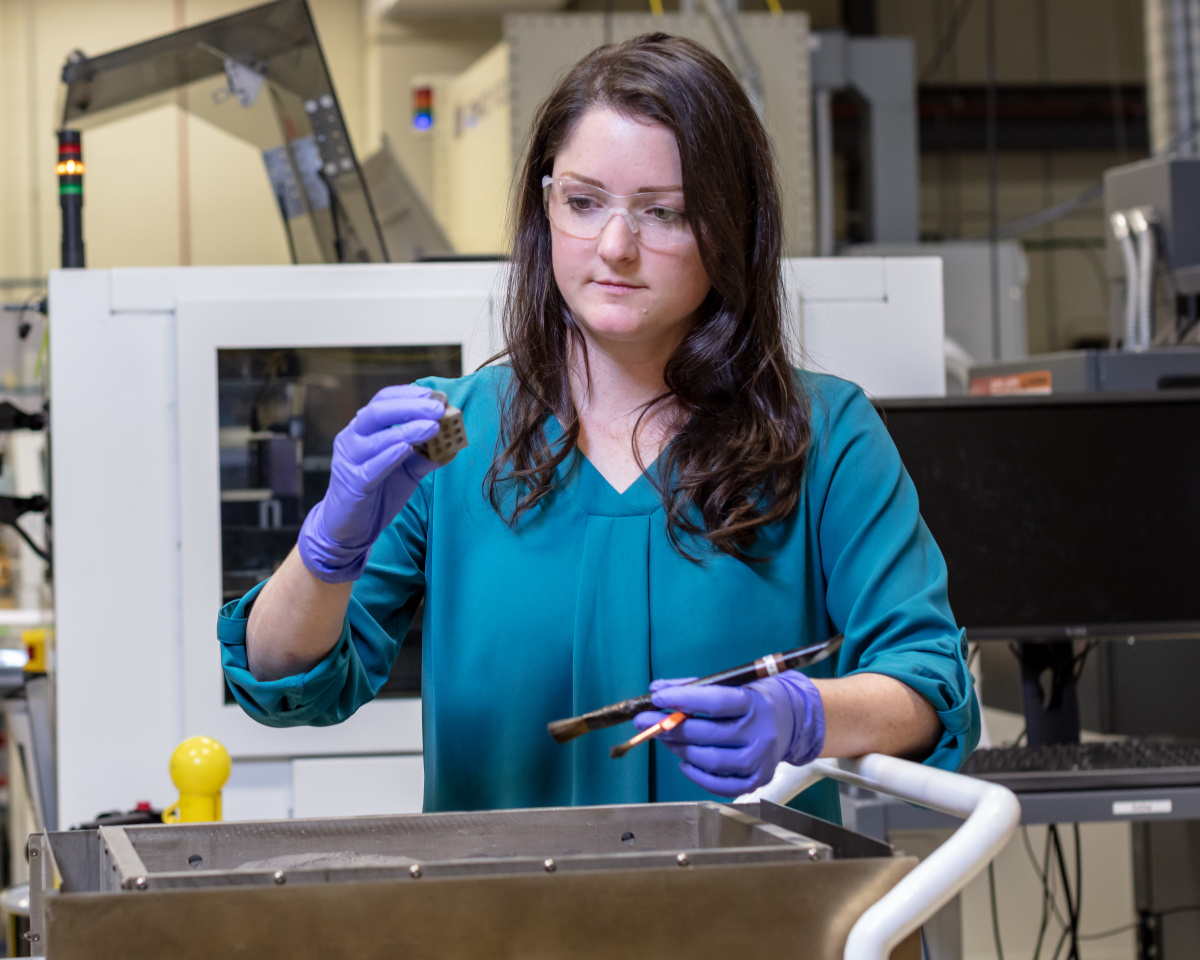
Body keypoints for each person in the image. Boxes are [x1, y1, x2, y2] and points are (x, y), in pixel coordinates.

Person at [219, 33, 979, 822]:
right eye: (583, 203)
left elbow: (927, 683)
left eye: (666, 213)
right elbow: (285, 683)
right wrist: (327, 549)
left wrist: (805, 715)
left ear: (732, 227)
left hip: (754, 917)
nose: (615, 247)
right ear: (545, 207)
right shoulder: (450, 439)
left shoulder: (825, 437)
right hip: (505, 929)